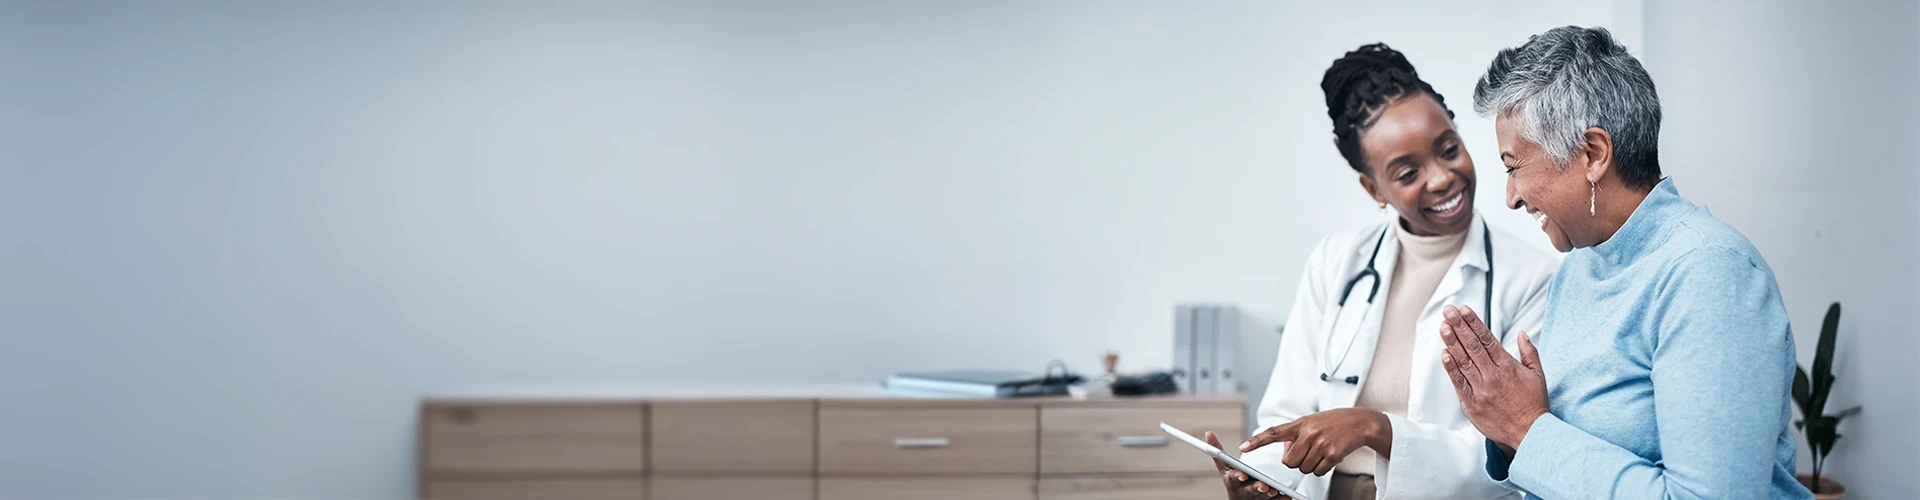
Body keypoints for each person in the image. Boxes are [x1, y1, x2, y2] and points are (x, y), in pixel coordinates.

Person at [1435, 26, 1814, 499]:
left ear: (1592, 154)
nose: (1510, 196)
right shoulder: (1581, 266)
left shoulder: (1709, 273)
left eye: (1514, 166)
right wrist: (1505, 421)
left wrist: (1527, 431)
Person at [1204, 43, 1559, 500]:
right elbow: (1287, 412)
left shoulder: (1530, 277)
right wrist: (1259, 477)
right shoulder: (1336, 262)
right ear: (1375, 188)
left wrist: (1376, 428)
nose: (1441, 178)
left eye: (1448, 149)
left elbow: (1513, 449)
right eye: (1408, 173)